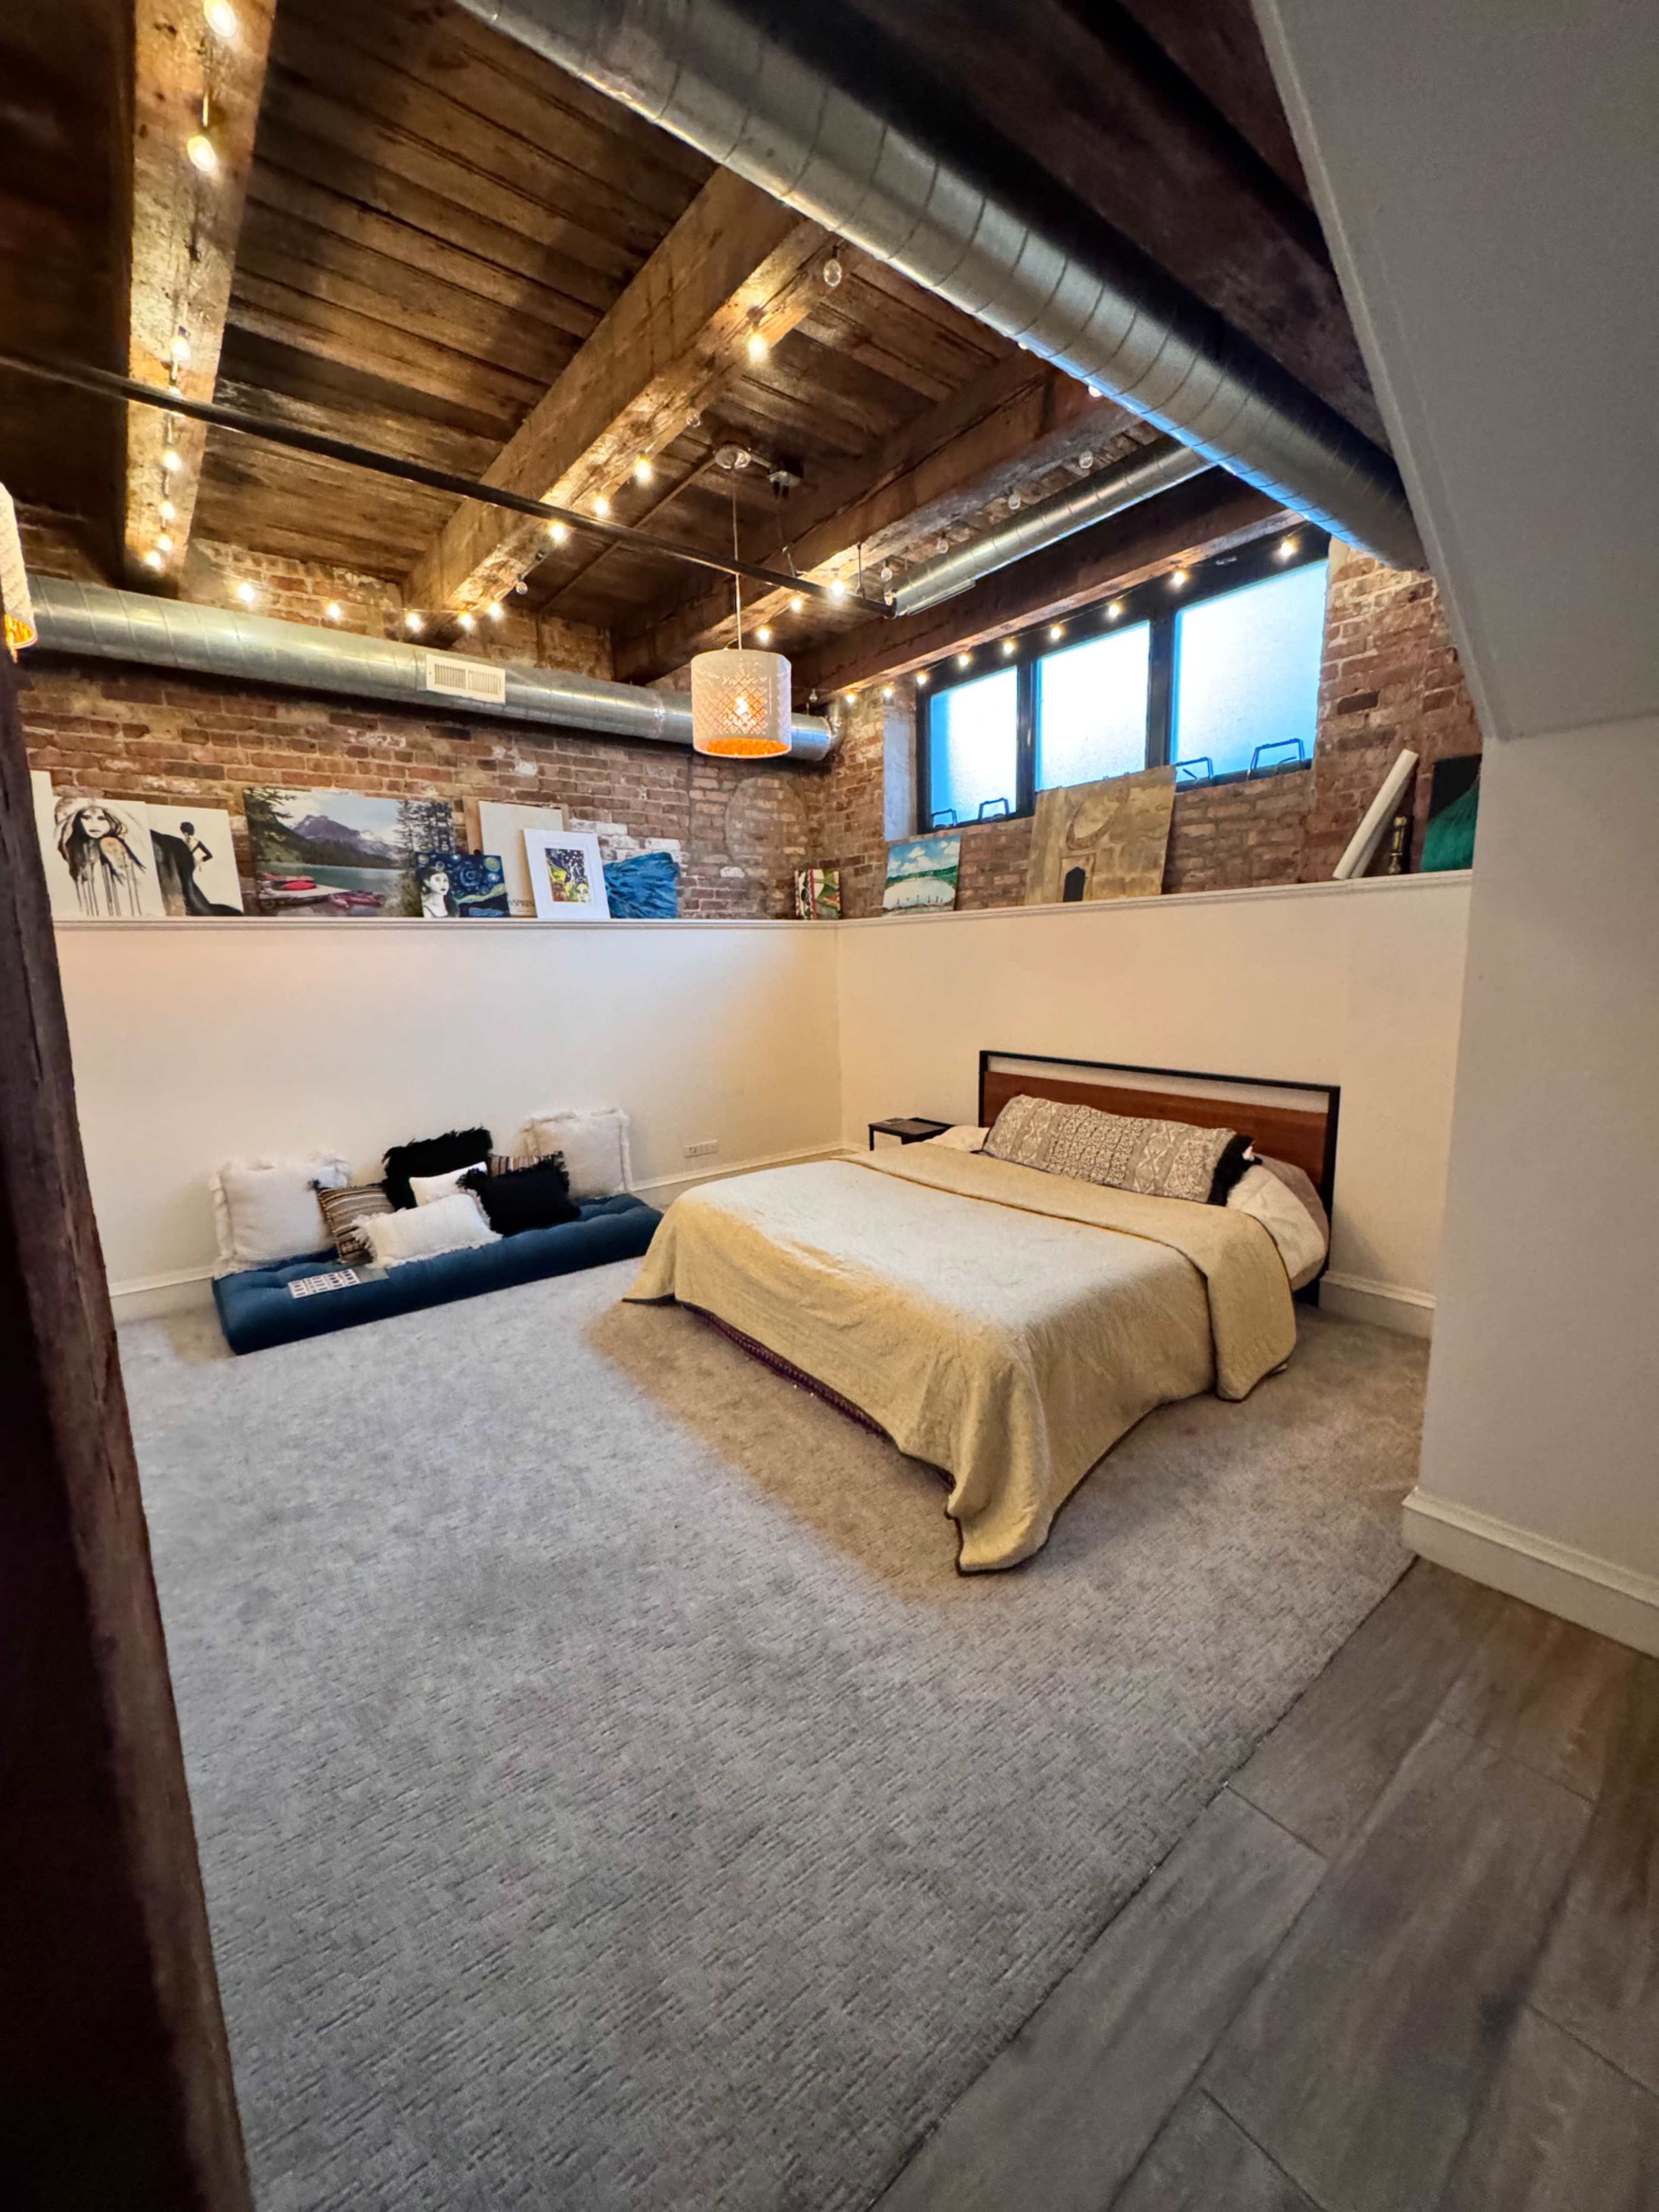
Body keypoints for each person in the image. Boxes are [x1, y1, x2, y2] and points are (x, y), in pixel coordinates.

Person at [57, 800, 149, 918]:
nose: (94, 824)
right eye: (87, 818)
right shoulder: (74, 848)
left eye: (102, 819)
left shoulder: (110, 843)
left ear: (112, 822)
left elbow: (132, 881)